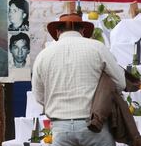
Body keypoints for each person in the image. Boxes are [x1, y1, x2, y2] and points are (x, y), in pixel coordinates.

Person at [32, 13, 125, 146]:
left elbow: (39, 96)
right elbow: (120, 83)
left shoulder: (43, 55)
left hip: (61, 128)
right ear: (82, 30)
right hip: (94, 125)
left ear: (58, 32)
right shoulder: (97, 47)